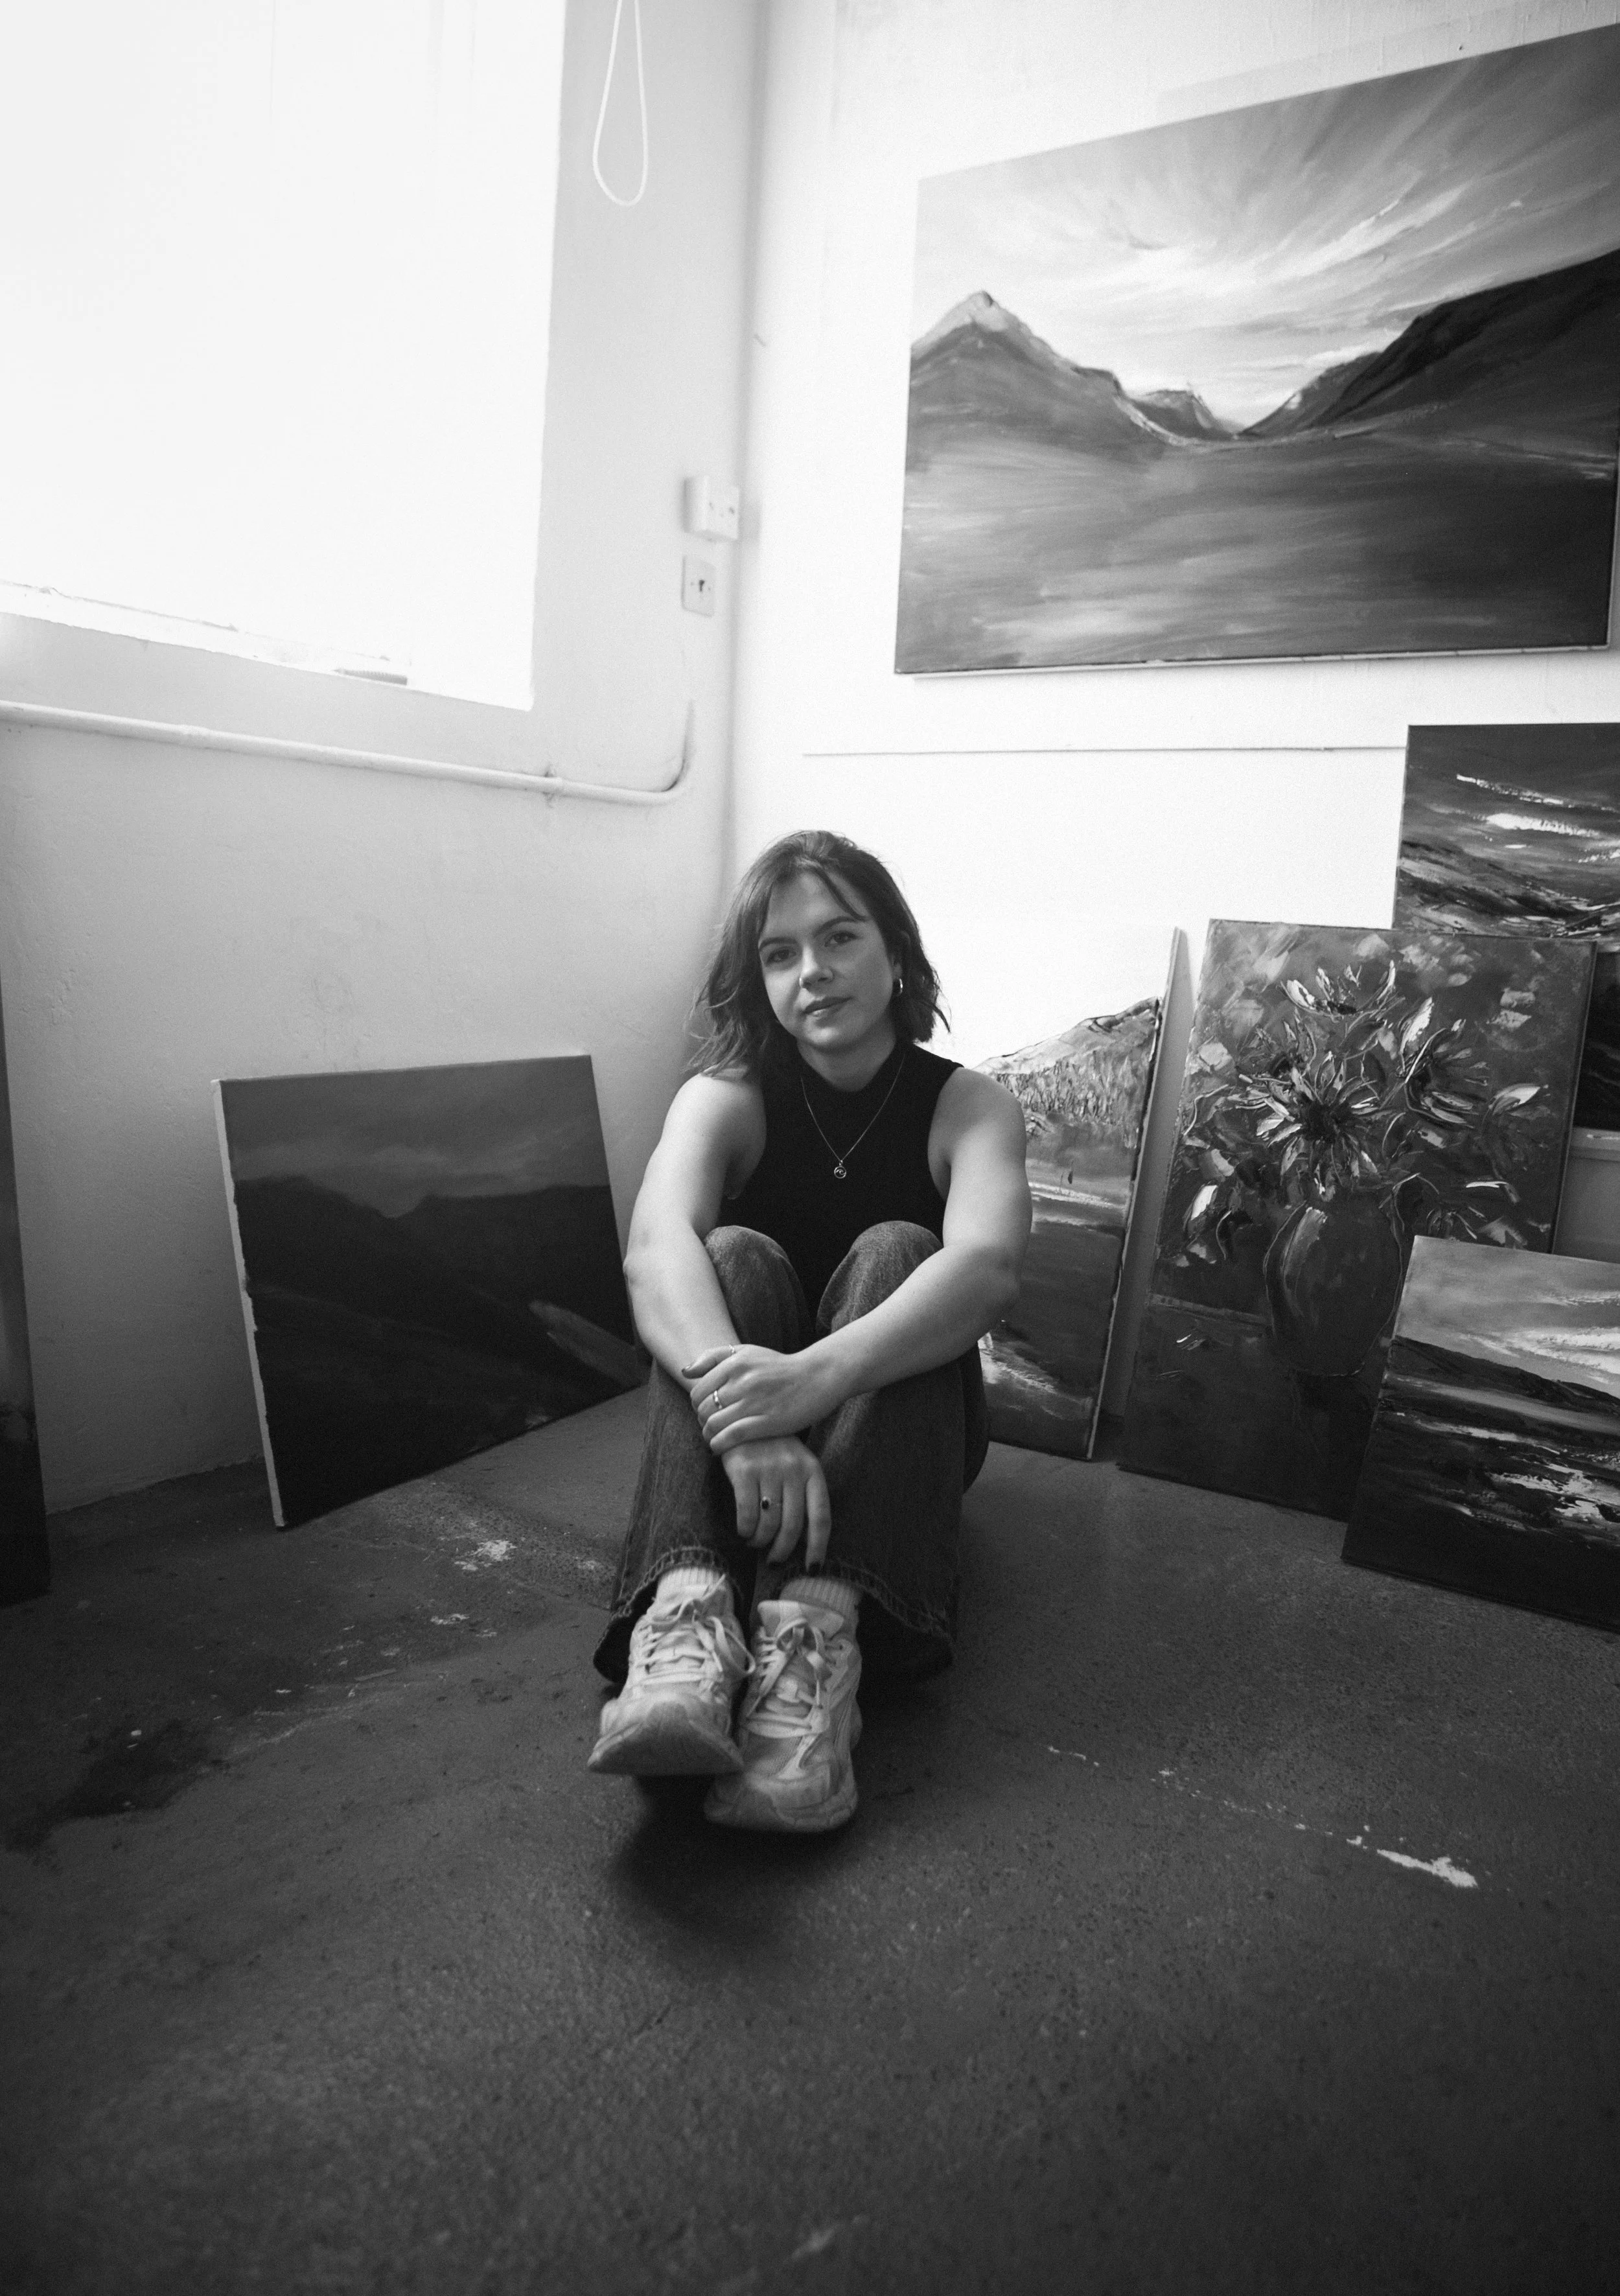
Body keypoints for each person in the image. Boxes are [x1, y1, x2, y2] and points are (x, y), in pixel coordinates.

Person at [588, 830, 1031, 1833]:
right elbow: (654, 1249)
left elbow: (988, 1268)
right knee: (728, 1255)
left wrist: (811, 1383)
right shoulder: (725, 1096)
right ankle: (691, 1620)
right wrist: (751, 1419)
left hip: (908, 1431)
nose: (812, 972)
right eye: (780, 954)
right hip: (748, 1448)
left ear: (895, 952)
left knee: (902, 1249)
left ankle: (816, 1645)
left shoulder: (969, 1105)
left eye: (839, 937)